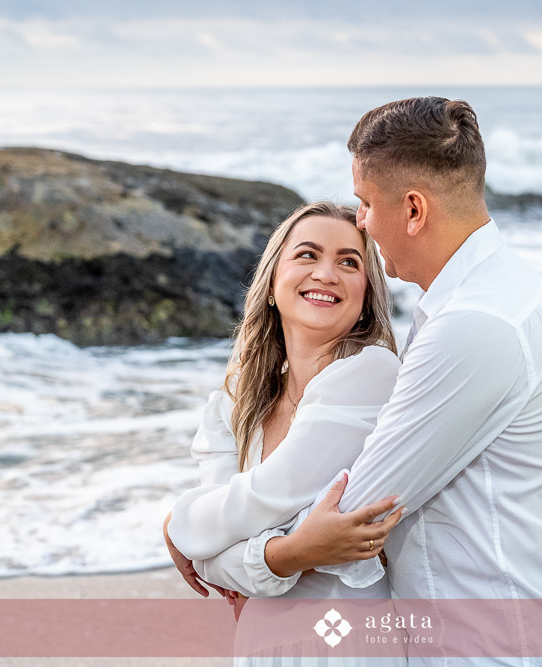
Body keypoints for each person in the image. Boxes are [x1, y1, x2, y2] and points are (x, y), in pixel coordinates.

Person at [193, 98, 542, 666]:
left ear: (415, 209)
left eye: (367, 203)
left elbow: (353, 521)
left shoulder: (475, 325)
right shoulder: (478, 303)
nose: (363, 223)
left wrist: (205, 549)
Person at [163, 201, 407, 665]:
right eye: (307, 255)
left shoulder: (371, 375)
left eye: (349, 262)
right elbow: (213, 558)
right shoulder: (233, 403)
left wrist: (182, 523)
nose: (327, 273)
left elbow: (261, 500)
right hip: (259, 646)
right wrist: (294, 551)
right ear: (273, 283)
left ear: (365, 297)